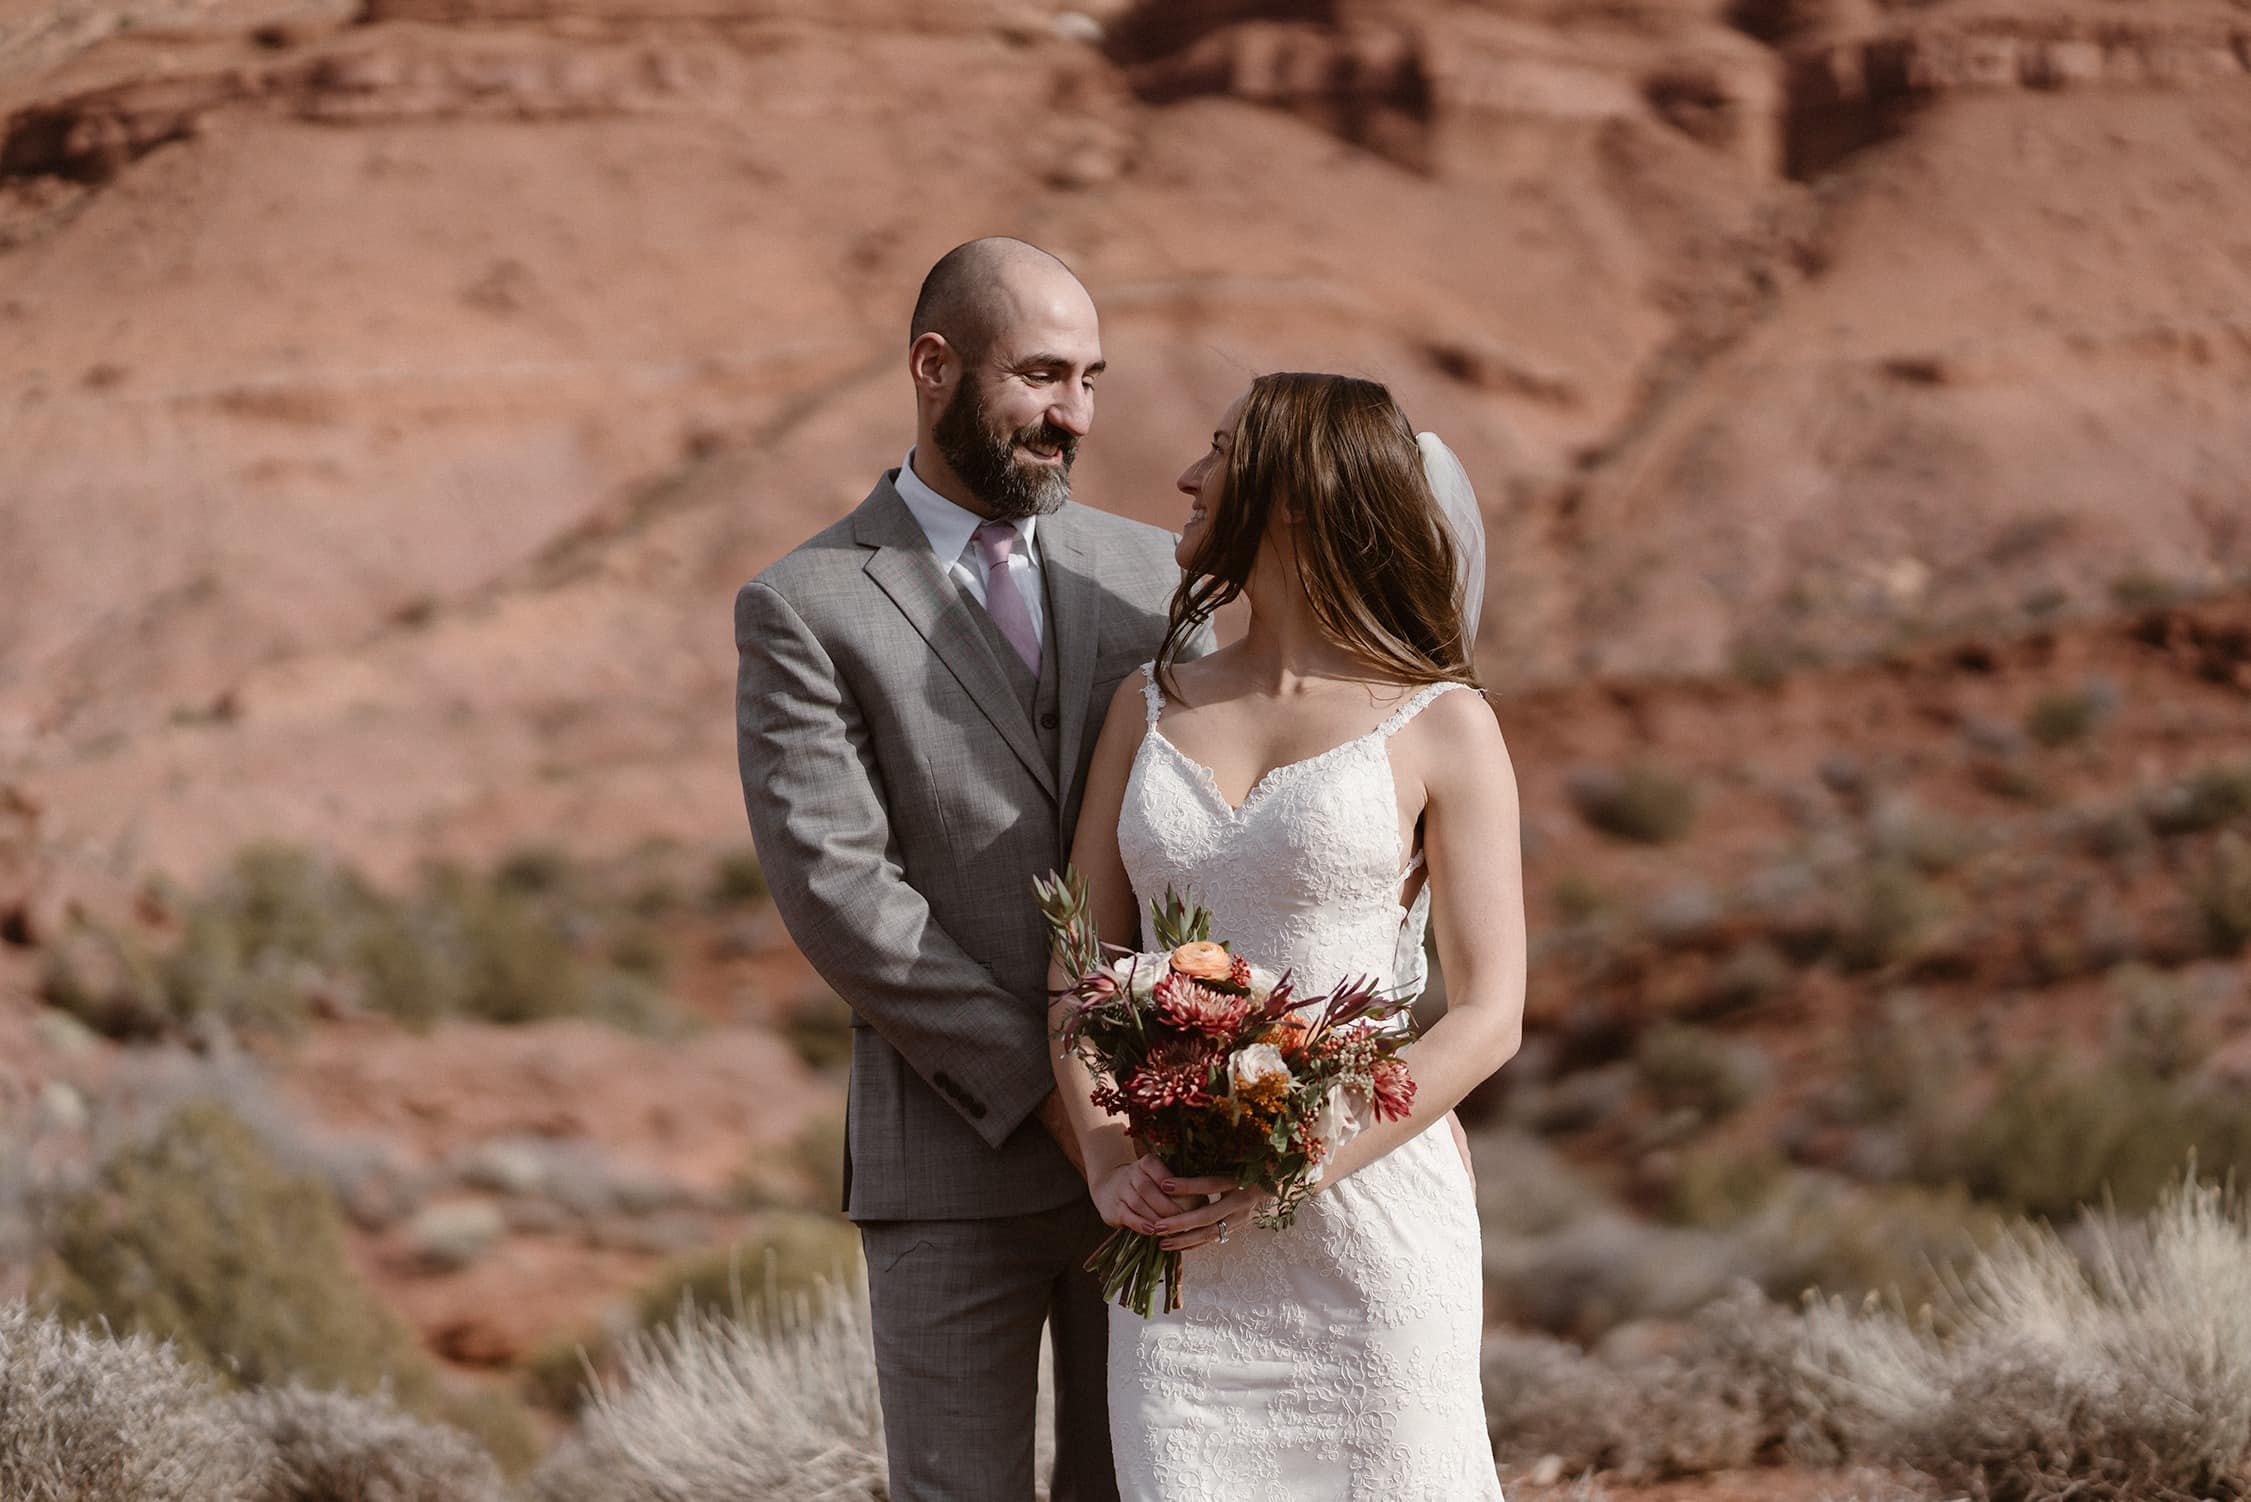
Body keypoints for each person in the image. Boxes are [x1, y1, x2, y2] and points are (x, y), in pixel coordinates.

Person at [735, 237, 1207, 1502]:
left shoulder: (1156, 574)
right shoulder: (806, 604)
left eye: (1092, 378)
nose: (1076, 416)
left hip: (1160, 1161)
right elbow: (841, 893)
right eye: (1042, 375)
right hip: (949, 1159)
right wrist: (1058, 1097)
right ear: (932, 367)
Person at [1048, 372, 1526, 1499]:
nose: (1187, 476)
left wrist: (1299, 1162)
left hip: (1371, 1227)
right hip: (1179, 1242)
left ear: (1297, 492)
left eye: (1217, 451)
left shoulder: (1444, 722)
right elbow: (1078, 972)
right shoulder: (1148, 703)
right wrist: (1111, 1160)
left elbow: (1489, 1012)